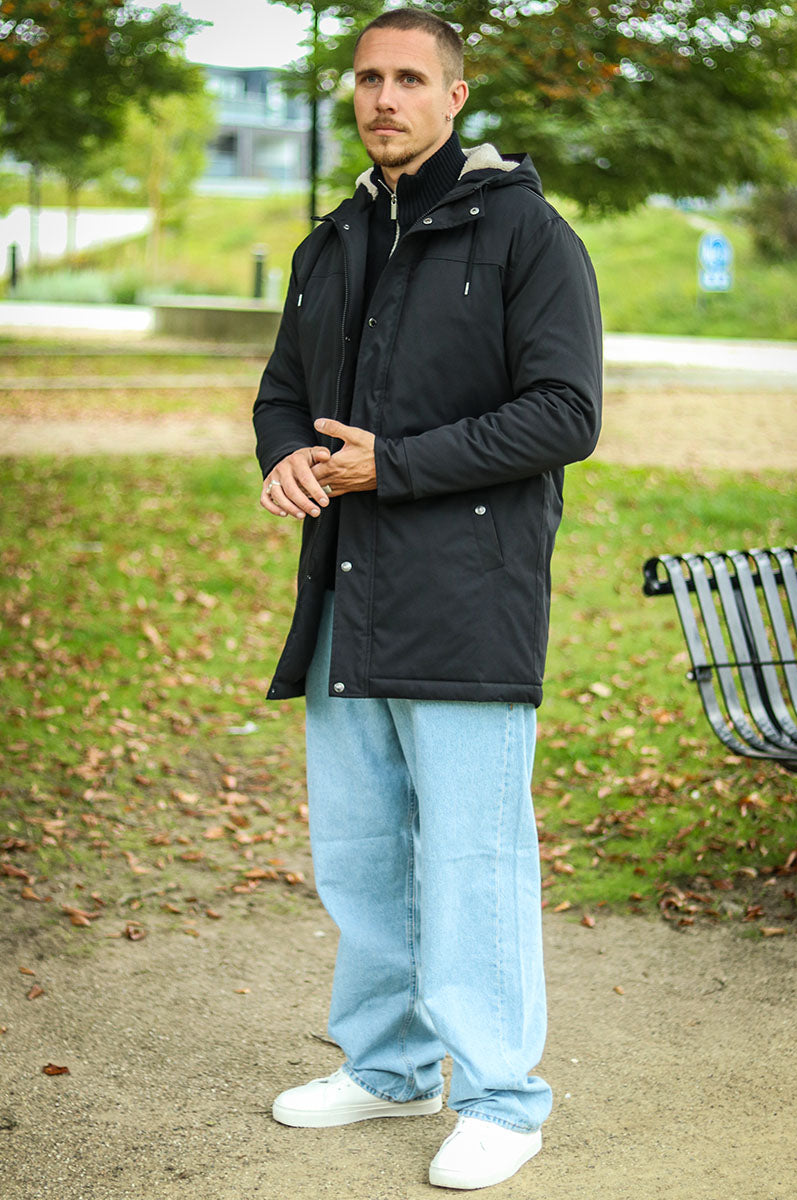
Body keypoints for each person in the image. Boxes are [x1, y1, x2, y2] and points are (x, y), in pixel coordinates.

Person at [253, 8, 602, 1191]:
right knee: (361, 855)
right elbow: (281, 393)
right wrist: (287, 455)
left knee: (472, 858)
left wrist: (388, 464)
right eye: (367, 78)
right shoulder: (332, 239)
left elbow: (564, 413)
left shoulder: (525, 233)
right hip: (345, 596)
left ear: (454, 96)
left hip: (466, 598)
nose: (383, 97)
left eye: (409, 78)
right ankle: (390, 1068)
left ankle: (502, 1100)